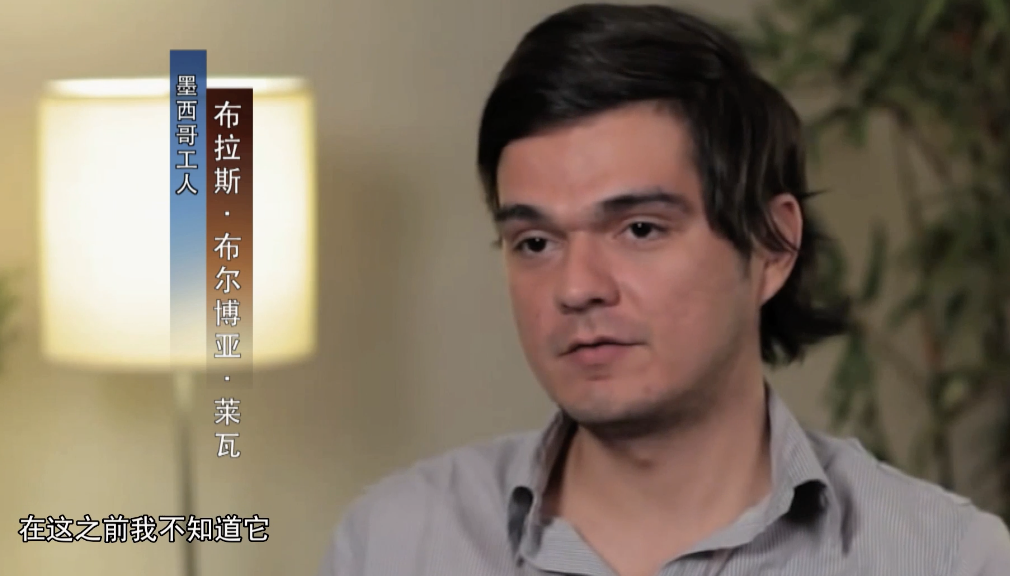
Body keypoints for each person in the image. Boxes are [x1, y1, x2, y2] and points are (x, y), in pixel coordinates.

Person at [316, 4, 1010, 575]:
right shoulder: (398, 543)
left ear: (772, 244)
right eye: (535, 243)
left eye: (640, 229)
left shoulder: (945, 558)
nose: (577, 288)